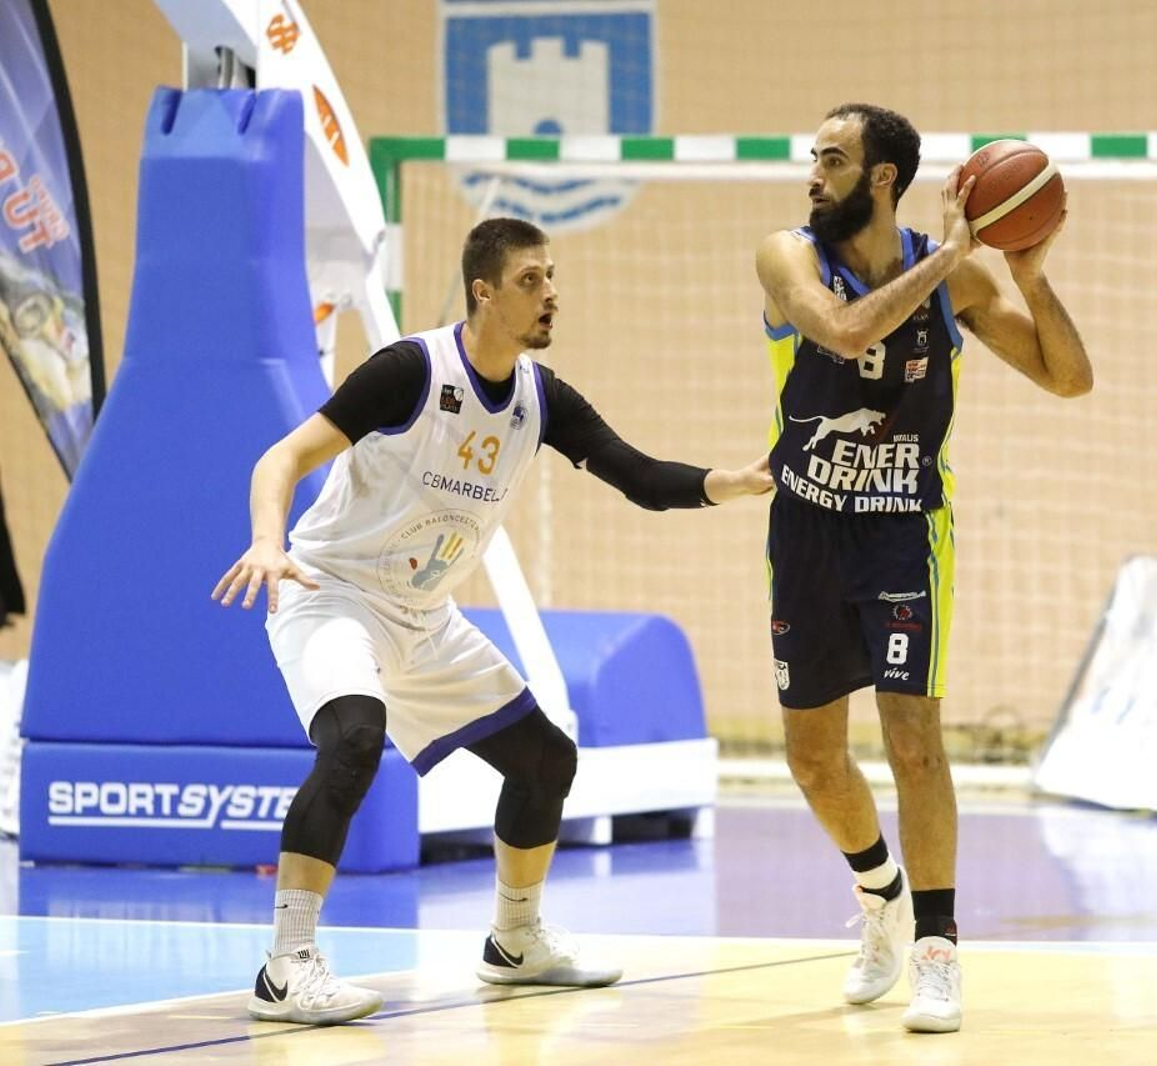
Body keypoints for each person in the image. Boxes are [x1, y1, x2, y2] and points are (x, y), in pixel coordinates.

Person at [214, 217, 772, 1025]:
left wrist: (735, 481)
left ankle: (515, 942)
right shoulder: (411, 369)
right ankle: (286, 964)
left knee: (546, 760)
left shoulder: (542, 399)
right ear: (485, 292)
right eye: (531, 281)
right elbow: (282, 457)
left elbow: (642, 478)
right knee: (355, 742)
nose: (551, 295)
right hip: (330, 590)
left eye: (552, 278)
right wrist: (268, 541)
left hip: (422, 616)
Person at [755, 103, 1092, 1033]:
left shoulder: (962, 279)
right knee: (814, 760)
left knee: (914, 742)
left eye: (832, 159)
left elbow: (1069, 377)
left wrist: (1027, 274)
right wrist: (948, 259)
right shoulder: (787, 254)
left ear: (882, 179)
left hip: (906, 532)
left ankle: (938, 950)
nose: (813, 175)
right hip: (808, 530)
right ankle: (882, 899)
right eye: (813, 156)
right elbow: (841, 332)